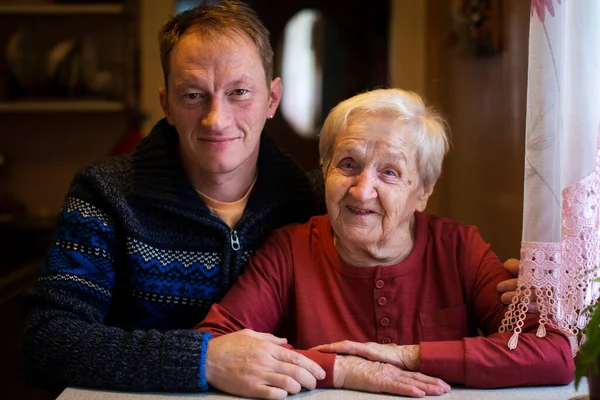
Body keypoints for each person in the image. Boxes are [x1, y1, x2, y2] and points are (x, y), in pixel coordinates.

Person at [21, 0, 523, 395]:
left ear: (272, 100)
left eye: (239, 92)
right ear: (166, 105)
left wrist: (523, 294)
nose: (217, 120)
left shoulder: (314, 199)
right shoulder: (106, 195)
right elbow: (44, 343)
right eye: (194, 94)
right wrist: (203, 359)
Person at [197, 88, 574, 399]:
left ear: (423, 191)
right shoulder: (290, 250)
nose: (362, 191)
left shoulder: (459, 249)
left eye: (390, 172)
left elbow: (554, 353)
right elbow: (213, 347)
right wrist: (344, 370)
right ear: (325, 171)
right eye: (347, 164)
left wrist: (408, 356)